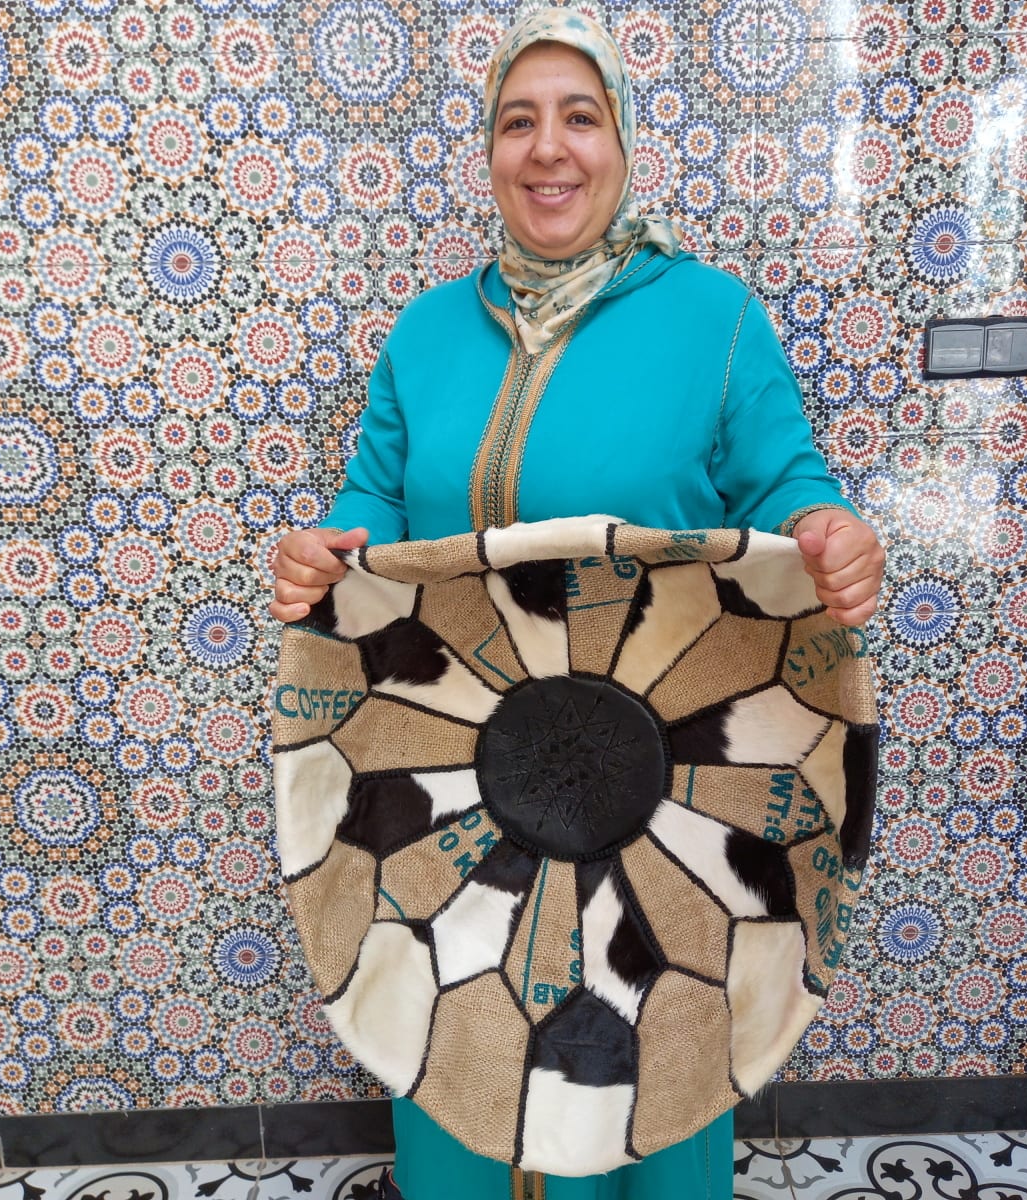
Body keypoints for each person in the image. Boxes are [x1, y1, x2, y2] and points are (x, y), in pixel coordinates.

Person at [269, 9, 884, 1198]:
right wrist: (323, 555)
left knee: (652, 1071)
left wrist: (827, 528)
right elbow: (370, 511)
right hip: (459, 795)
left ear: (622, 141)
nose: (547, 149)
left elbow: (788, 486)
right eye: (517, 121)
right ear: (489, 151)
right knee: (463, 1067)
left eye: (578, 116)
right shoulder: (427, 333)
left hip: (665, 805)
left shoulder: (711, 319)